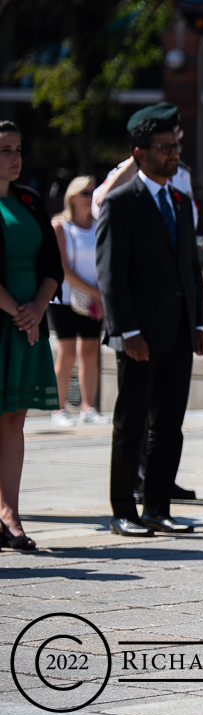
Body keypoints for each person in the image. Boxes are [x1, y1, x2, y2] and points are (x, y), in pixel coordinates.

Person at [97, 116, 203, 539]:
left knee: (169, 425)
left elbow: (191, 271)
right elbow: (111, 277)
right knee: (131, 423)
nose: (173, 153)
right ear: (139, 154)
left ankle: (158, 508)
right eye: (163, 147)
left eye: (174, 146)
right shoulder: (120, 202)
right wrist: (127, 332)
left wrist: (198, 323)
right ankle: (123, 510)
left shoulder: (181, 203)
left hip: (179, 332)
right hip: (139, 337)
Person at [0, 120, 62, 551]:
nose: (15, 157)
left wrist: (37, 308)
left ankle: (10, 515)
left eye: (18, 148)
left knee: (13, 418)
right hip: (8, 319)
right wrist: (19, 312)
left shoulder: (30, 199)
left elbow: (53, 265)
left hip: (27, 323)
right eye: (5, 150)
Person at [48, 175, 107, 427]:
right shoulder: (61, 226)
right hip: (64, 299)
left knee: (91, 351)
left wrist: (100, 294)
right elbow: (62, 267)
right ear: (72, 197)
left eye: (92, 192)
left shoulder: (99, 225)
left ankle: (88, 407)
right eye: (84, 193)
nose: (89, 197)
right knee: (68, 351)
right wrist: (95, 292)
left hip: (94, 299)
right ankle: (58, 408)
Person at [92, 103, 197, 227]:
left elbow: (191, 221)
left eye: (176, 136)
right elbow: (102, 204)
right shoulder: (126, 172)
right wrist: (137, 160)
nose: (174, 147)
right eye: (164, 145)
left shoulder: (181, 175)